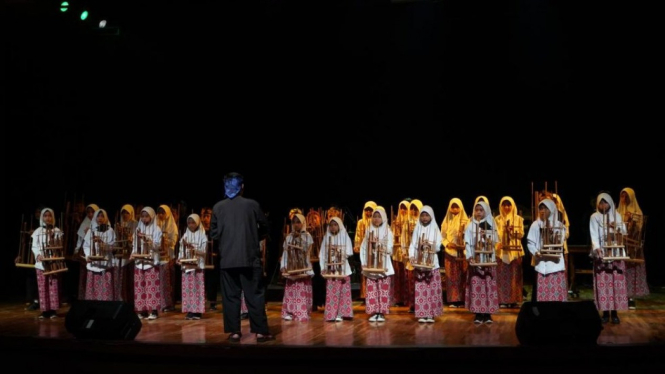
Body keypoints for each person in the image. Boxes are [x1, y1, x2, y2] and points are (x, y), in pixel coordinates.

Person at [210, 172, 273, 343]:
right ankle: (260, 332)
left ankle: (235, 332)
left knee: (231, 297)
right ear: (242, 187)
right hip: (249, 257)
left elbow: (214, 234)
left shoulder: (218, 208)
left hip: (228, 260)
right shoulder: (252, 205)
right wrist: (253, 237)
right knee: (255, 295)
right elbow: (265, 227)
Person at [590, 192, 628, 324]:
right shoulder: (594, 217)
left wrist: (615, 226)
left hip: (615, 253)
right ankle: (605, 313)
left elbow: (624, 231)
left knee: (615, 285)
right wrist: (596, 247)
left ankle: (615, 313)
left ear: (610, 202)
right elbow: (593, 233)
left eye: (605, 202)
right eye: (600, 202)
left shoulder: (616, 215)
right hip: (603, 253)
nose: (603, 205)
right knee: (604, 285)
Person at [464, 200, 500, 324]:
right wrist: (469, 256)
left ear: (486, 211)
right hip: (476, 260)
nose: (478, 212)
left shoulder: (491, 224)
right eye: (476, 210)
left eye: (481, 210)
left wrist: (486, 235)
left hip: (488, 259)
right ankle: (478, 313)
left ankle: (488, 313)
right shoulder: (470, 226)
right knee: (476, 286)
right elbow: (468, 243)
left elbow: (495, 240)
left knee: (488, 286)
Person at [526, 198, 567, 302]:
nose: (542, 211)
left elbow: (560, 241)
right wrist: (536, 252)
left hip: (555, 264)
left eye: (545, 208)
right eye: (540, 208)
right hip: (542, 263)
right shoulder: (536, 225)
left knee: (556, 293)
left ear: (552, 209)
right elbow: (530, 242)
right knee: (543, 295)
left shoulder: (559, 226)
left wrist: (552, 233)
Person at [408, 205, 443, 323]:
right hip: (420, 263)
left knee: (432, 289)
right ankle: (422, 313)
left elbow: (438, 245)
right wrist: (412, 256)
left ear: (431, 216)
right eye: (422, 215)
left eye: (427, 215)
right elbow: (413, 244)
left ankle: (431, 314)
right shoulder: (417, 228)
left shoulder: (435, 228)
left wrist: (429, 245)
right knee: (421, 289)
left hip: (432, 262)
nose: (424, 217)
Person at [359, 207, 394, 322]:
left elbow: (390, 248)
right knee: (372, 290)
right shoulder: (369, 231)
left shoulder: (388, 231)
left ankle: (381, 312)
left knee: (383, 289)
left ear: (383, 218)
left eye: (379, 216)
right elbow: (363, 248)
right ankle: (374, 312)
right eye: (375, 216)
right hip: (371, 265)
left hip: (383, 264)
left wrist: (381, 246)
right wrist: (364, 262)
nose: (376, 219)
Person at [616, 187, 649, 309]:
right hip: (621, 245)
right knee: (620, 268)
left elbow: (639, 230)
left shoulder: (637, 212)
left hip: (633, 247)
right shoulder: (617, 211)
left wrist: (631, 222)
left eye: (626, 197)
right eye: (622, 196)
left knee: (632, 269)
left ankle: (631, 297)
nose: (624, 199)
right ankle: (621, 294)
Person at [280, 213, 315, 321]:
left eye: (298, 222)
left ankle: (302, 311)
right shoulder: (289, 237)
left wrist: (299, 238)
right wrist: (284, 266)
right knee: (291, 290)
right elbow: (285, 253)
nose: (296, 225)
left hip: (302, 266)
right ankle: (289, 311)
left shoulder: (307, 236)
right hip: (292, 267)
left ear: (303, 223)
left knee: (302, 289)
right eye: (294, 222)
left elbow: (306, 250)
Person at [319, 216, 354, 322]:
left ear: (339, 226)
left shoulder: (344, 235)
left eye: (335, 225)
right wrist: (323, 267)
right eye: (331, 225)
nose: (333, 227)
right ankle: (331, 314)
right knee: (331, 292)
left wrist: (338, 251)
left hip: (342, 268)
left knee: (343, 292)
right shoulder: (327, 237)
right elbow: (322, 254)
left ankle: (342, 313)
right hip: (331, 269)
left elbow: (349, 251)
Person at [31, 207, 64, 319]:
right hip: (41, 264)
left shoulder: (57, 231)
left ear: (53, 217)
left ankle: (53, 310)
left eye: (50, 215)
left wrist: (56, 254)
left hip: (53, 262)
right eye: (45, 216)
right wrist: (38, 255)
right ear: (42, 217)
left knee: (53, 285)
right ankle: (44, 310)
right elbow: (34, 246)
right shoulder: (37, 232)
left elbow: (60, 246)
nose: (48, 218)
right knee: (43, 286)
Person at [130, 206, 163, 320]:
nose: (144, 218)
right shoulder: (138, 229)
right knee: (141, 287)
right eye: (142, 216)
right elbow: (135, 244)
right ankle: (142, 310)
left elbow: (157, 246)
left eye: (146, 216)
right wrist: (133, 253)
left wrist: (147, 240)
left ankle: (153, 311)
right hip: (140, 262)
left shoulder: (157, 229)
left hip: (151, 262)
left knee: (151, 287)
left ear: (152, 216)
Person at [494, 196, 525, 308]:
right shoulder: (496, 219)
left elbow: (521, 234)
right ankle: (502, 300)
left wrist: (511, 233)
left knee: (514, 276)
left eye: (509, 205)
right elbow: (494, 235)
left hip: (514, 251)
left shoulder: (518, 219)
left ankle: (513, 300)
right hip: (501, 251)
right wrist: (497, 243)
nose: (507, 207)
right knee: (501, 276)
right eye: (504, 205)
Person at [177, 213, 207, 320]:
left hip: (197, 266)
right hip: (187, 266)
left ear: (198, 223)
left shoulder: (202, 235)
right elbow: (181, 250)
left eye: (193, 223)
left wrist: (192, 248)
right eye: (189, 223)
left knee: (197, 289)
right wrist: (180, 258)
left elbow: (204, 251)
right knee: (188, 289)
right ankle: (190, 310)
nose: (191, 225)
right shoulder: (185, 235)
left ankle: (197, 311)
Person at [440, 198, 469, 308]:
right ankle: (453, 299)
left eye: (457, 206)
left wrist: (464, 245)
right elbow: (442, 236)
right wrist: (447, 244)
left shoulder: (467, 221)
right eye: (453, 207)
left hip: (463, 252)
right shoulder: (447, 221)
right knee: (451, 276)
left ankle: (463, 299)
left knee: (463, 274)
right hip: (450, 252)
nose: (455, 209)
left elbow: (470, 235)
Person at [82, 209, 116, 301]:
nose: (100, 218)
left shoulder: (110, 231)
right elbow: (86, 245)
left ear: (105, 218)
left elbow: (112, 246)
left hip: (105, 265)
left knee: (105, 291)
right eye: (98, 216)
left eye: (102, 216)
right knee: (93, 291)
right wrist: (88, 255)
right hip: (93, 265)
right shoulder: (91, 231)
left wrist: (101, 242)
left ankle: (106, 309)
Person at [156, 204, 179, 313]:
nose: (160, 215)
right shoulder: (155, 223)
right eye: (159, 212)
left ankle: (168, 304)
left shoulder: (172, 225)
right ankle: (159, 303)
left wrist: (166, 241)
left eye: (163, 213)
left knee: (167, 281)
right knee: (158, 281)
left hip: (168, 256)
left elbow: (173, 241)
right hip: (157, 256)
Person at [353, 201, 377, 303]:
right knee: (364, 272)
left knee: (374, 272)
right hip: (364, 251)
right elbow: (358, 235)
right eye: (366, 210)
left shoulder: (376, 222)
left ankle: (374, 293)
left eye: (370, 210)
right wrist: (357, 245)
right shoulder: (361, 222)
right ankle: (365, 294)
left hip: (375, 250)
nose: (368, 212)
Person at [199, 207, 220, 311]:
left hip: (213, 257)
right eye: (204, 216)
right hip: (201, 257)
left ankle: (212, 302)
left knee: (212, 279)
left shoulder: (215, 229)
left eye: (208, 216)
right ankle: (199, 302)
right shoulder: (200, 230)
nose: (206, 219)